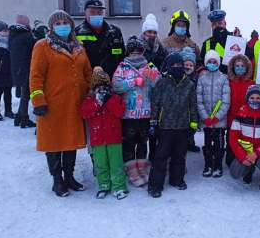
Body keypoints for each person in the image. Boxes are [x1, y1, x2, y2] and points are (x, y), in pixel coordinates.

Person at [30, 10, 92, 197]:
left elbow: (87, 73)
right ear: (51, 27)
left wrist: (91, 92)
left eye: (65, 22)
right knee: (54, 141)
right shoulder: (42, 46)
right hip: (53, 104)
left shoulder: (79, 47)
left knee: (70, 141)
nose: (62, 25)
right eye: (58, 23)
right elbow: (35, 76)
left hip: (75, 104)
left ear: (71, 25)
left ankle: (69, 176)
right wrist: (38, 100)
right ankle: (57, 179)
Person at [148, 53, 199, 198]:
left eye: (179, 65)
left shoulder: (189, 84)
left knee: (179, 156)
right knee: (161, 157)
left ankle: (176, 179)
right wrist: (153, 122)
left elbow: (193, 105)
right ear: (169, 67)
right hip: (165, 126)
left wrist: (193, 125)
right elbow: (155, 103)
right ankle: (155, 185)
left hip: (183, 127)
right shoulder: (162, 83)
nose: (177, 68)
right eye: (174, 65)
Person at [112, 36, 161, 187]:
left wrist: (150, 77)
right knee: (128, 144)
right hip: (128, 115)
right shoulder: (122, 67)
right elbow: (116, 86)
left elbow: (159, 84)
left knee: (142, 143)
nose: (136, 55)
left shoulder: (149, 66)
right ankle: (132, 172)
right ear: (128, 53)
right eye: (133, 52)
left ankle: (142, 170)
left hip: (145, 114)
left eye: (139, 52)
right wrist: (133, 82)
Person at [80, 69, 129, 200]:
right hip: (97, 138)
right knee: (100, 164)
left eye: (105, 86)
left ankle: (119, 186)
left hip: (114, 138)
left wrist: (108, 100)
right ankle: (104, 185)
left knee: (116, 163)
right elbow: (84, 113)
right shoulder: (90, 99)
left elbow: (120, 112)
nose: (102, 89)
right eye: (98, 86)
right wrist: (97, 102)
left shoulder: (115, 98)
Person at [229, 85, 260, 190]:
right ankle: (249, 169)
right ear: (247, 99)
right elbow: (233, 138)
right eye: (252, 98)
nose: (255, 100)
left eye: (258, 98)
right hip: (246, 151)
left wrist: (257, 153)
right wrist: (242, 156)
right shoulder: (240, 115)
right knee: (235, 172)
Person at [197, 50, 231, 178]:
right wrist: (205, 117)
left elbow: (226, 101)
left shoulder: (223, 78)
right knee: (207, 144)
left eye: (214, 61)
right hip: (206, 121)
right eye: (209, 62)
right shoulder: (202, 78)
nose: (212, 64)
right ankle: (208, 165)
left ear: (218, 63)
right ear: (206, 63)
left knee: (219, 144)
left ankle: (217, 165)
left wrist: (217, 117)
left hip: (219, 121)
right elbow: (199, 100)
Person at [75, 0, 125, 77]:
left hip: (113, 80)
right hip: (88, 80)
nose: (96, 15)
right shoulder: (77, 33)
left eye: (99, 12)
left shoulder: (115, 32)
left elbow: (122, 57)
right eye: (92, 12)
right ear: (85, 13)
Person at [225, 54, 254, 168]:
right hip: (231, 118)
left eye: (242, 65)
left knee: (244, 141)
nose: (240, 68)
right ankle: (230, 160)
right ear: (233, 67)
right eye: (237, 65)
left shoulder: (251, 84)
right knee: (231, 141)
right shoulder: (228, 83)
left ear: (247, 68)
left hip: (246, 120)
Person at [9, 14, 36, 128]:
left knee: (25, 95)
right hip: (26, 69)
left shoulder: (13, 34)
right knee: (26, 95)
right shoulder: (26, 35)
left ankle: (19, 118)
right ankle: (23, 119)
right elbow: (37, 46)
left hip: (18, 70)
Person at [180, 47, 201, 153]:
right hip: (181, 107)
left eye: (190, 65)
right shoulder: (179, 76)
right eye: (186, 65)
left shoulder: (196, 78)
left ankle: (190, 143)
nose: (188, 67)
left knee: (191, 126)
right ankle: (182, 144)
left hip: (192, 106)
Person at [200, 10, 234, 74]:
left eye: (220, 23)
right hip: (212, 80)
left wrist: (239, 39)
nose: (217, 26)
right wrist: (202, 70)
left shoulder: (234, 38)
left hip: (232, 80)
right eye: (214, 24)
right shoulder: (207, 43)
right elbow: (201, 62)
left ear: (225, 23)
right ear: (211, 26)